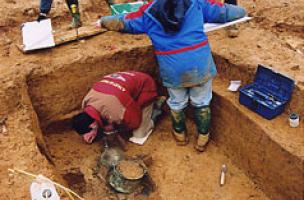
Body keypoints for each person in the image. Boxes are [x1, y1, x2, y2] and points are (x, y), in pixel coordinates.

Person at [95, 0, 246, 151]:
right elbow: (226, 12)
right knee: (202, 102)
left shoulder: (147, 12)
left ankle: (180, 135)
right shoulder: (196, 3)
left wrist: (102, 22)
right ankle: (203, 138)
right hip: (199, 65)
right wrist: (241, 11)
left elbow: (123, 22)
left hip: (172, 69)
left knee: (177, 103)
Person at [72, 71, 164, 144]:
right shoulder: (86, 102)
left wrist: (116, 127)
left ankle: (157, 106)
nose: (86, 136)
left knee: (139, 135)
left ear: (92, 125)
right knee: (125, 106)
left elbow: (135, 121)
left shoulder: (116, 110)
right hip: (125, 83)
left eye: (87, 133)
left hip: (145, 86)